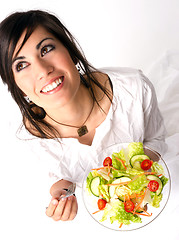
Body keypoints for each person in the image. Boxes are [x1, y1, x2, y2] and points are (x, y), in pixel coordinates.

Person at [0, 10, 167, 222]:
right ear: (16, 86)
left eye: (46, 49)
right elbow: (60, 178)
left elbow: (157, 140)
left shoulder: (134, 88)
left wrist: (131, 175)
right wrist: (60, 194)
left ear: (69, 49)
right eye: (21, 65)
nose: (43, 70)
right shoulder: (25, 138)